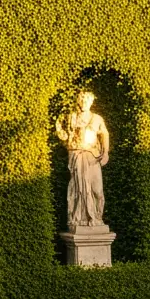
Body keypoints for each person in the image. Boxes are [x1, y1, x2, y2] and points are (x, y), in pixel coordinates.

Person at [54, 91, 109, 231]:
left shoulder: (97, 118)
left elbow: (104, 133)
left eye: (87, 101)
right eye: (82, 100)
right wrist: (62, 134)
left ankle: (96, 217)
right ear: (78, 102)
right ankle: (78, 219)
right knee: (78, 188)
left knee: (97, 190)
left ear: (91, 102)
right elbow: (62, 132)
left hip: (92, 157)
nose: (84, 103)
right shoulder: (72, 118)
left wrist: (106, 153)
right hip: (77, 156)